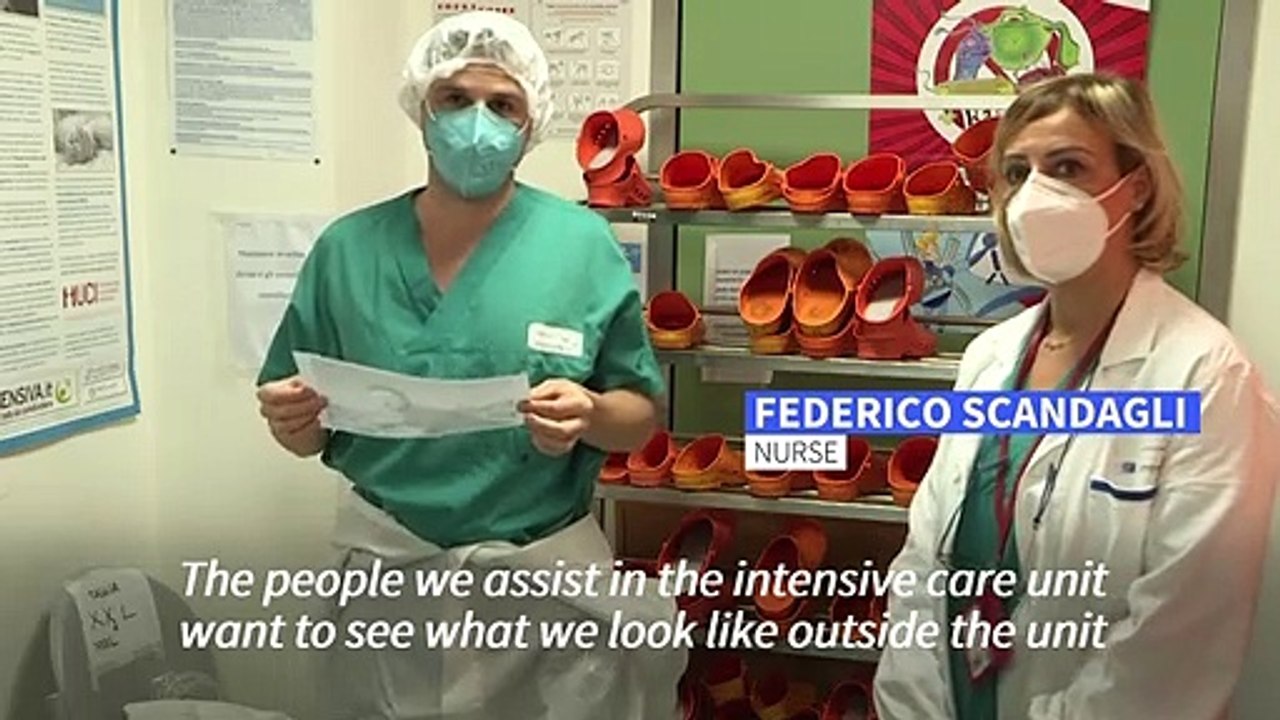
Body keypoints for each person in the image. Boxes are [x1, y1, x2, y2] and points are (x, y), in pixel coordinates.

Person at [254, 11, 681, 719]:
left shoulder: (580, 245)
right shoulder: (347, 250)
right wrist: (289, 418)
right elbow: (305, 435)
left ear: (529, 121)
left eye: (501, 104)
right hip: (388, 591)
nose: (476, 121)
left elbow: (638, 418)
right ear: (422, 108)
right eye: (454, 99)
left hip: (542, 585)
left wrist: (592, 415)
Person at [873, 73, 1280, 720]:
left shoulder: (1205, 375)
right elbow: (923, 563)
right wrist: (913, 706)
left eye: (1068, 167)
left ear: (1136, 186)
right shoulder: (989, 359)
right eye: (1016, 172)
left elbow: (1180, 640)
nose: (1037, 193)